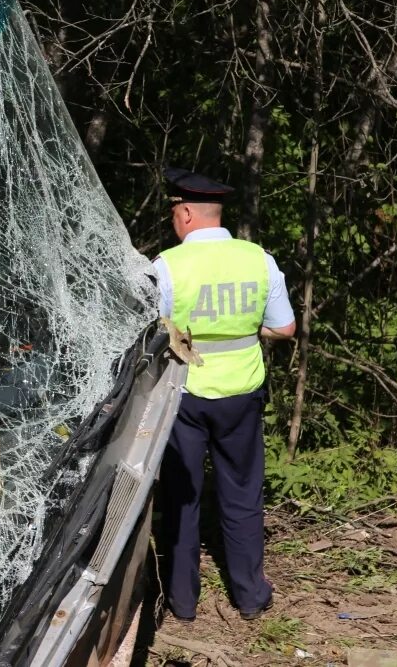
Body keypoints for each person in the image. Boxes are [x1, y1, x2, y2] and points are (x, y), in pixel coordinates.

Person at [152, 166, 296, 622]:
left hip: (185, 396)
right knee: (242, 493)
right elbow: (284, 327)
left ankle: (181, 601)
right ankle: (251, 596)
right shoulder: (259, 259)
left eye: (174, 211)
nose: (173, 220)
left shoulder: (166, 266)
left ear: (188, 213)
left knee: (182, 494)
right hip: (242, 393)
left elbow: (151, 334)